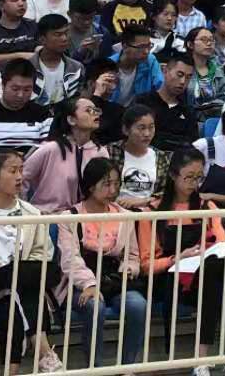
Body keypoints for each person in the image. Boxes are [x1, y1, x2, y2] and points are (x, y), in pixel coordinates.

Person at [138, 146, 225, 370]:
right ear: (173, 175)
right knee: (215, 277)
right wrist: (176, 258)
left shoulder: (206, 206)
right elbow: (146, 265)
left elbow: (222, 245)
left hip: (205, 273)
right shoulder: (152, 211)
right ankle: (203, 361)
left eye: (199, 178)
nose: (194, 183)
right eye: (189, 177)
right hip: (170, 279)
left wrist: (209, 252)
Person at [57, 157, 151, 369]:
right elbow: (70, 258)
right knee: (94, 306)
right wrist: (89, 284)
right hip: (79, 283)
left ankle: (128, 367)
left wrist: (129, 269)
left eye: (116, 184)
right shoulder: (69, 216)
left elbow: (132, 255)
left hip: (114, 280)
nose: (113, 190)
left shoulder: (125, 216)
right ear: (91, 186)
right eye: (107, 184)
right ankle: (95, 368)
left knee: (138, 305)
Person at [0, 150, 62, 373]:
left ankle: (11, 372)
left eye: (21, 170)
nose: (19, 177)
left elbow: (43, 254)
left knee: (14, 299)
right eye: (13, 171)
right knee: (20, 282)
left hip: (18, 287)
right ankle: (45, 353)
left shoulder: (32, 212)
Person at [22, 94, 108, 211]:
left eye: (96, 110)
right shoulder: (51, 148)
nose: (95, 114)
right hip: (48, 215)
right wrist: (27, 210)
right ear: (71, 120)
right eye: (88, 110)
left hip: (85, 216)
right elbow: (22, 177)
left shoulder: (100, 152)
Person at [136, 47, 199, 152]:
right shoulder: (143, 102)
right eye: (179, 75)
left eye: (188, 77)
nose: (183, 81)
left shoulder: (188, 111)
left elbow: (193, 145)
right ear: (165, 71)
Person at [0, 58, 51, 152]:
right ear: (3, 85)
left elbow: (47, 150)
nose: (20, 95)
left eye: (27, 90)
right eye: (15, 89)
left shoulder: (43, 115)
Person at [31, 12, 82, 105]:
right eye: (58, 34)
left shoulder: (77, 68)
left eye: (66, 33)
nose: (64, 38)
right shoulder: (28, 67)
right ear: (42, 39)